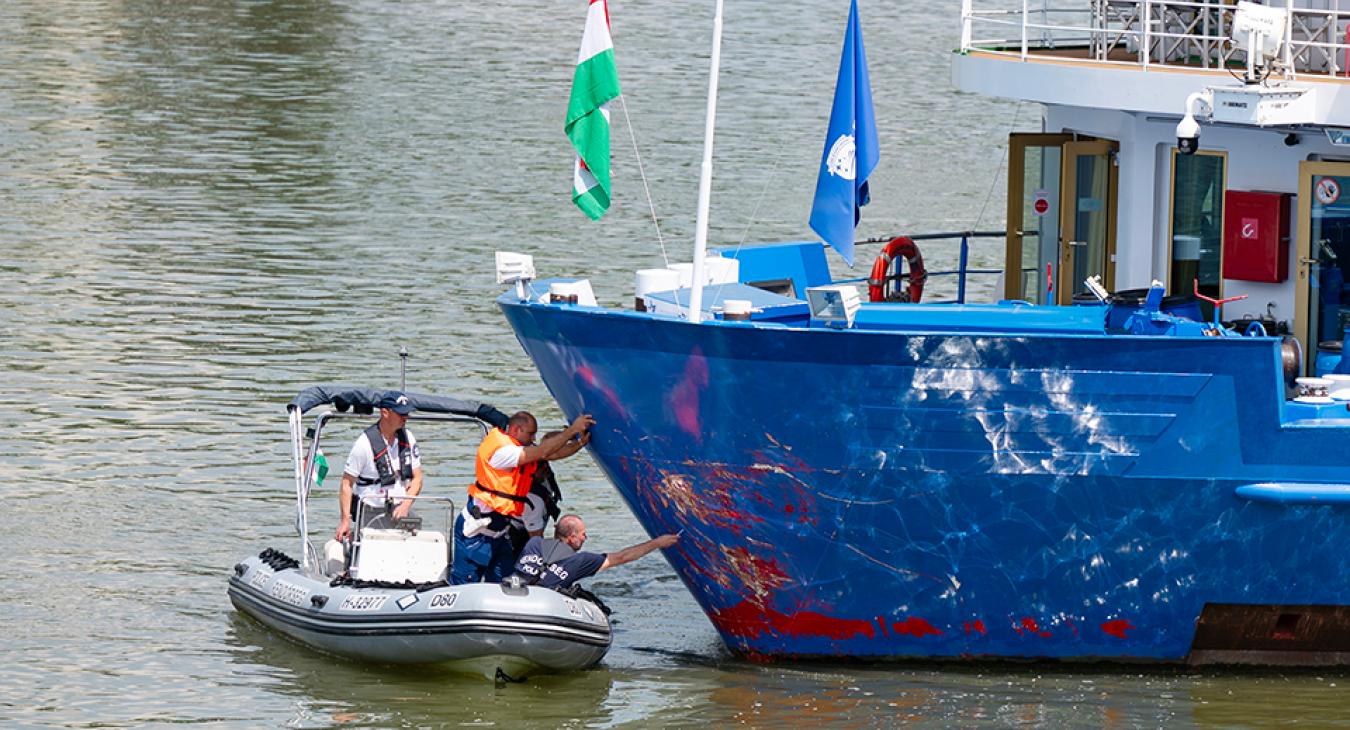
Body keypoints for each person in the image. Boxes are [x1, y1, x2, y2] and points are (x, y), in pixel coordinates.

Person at [450, 411, 595, 584]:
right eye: (531, 434)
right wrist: (572, 430)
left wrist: (579, 443)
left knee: (504, 581)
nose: (533, 438)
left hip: (499, 534)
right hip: (475, 534)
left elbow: (550, 454)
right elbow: (543, 451)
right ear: (517, 429)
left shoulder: (518, 448)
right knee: (465, 583)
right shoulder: (503, 452)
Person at [335, 391, 422, 543]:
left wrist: (406, 505)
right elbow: (346, 484)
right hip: (371, 510)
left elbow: (418, 478)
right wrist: (345, 521)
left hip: (401, 509)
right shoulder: (364, 444)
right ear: (385, 413)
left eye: (407, 413)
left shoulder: (408, 438)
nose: (405, 417)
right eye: (401, 414)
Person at [513, 514, 679, 590]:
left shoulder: (534, 543)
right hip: (544, 604)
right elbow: (622, 557)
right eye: (583, 534)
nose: (586, 538)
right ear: (571, 537)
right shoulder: (581, 560)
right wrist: (657, 543)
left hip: (514, 594)